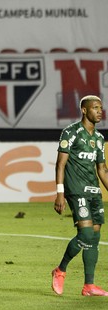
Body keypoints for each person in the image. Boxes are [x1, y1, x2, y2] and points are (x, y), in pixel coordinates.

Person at [52, 95, 108, 297]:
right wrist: (60, 193)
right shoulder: (71, 132)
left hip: (94, 191)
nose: (100, 111)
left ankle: (89, 285)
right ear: (84, 110)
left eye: (101, 108)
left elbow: (102, 169)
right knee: (85, 235)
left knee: (94, 236)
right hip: (76, 190)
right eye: (95, 108)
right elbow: (60, 164)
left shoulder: (99, 139)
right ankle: (60, 269)